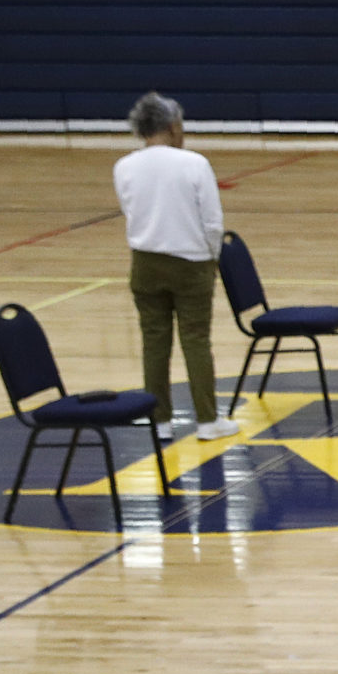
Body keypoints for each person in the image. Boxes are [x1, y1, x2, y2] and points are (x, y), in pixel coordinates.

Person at [112, 92, 236, 443]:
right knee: (195, 340)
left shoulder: (123, 166)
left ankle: (160, 420)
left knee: (154, 342)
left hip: (144, 263)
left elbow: (130, 211)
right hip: (191, 262)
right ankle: (208, 420)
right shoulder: (194, 163)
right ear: (173, 126)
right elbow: (212, 222)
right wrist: (212, 258)